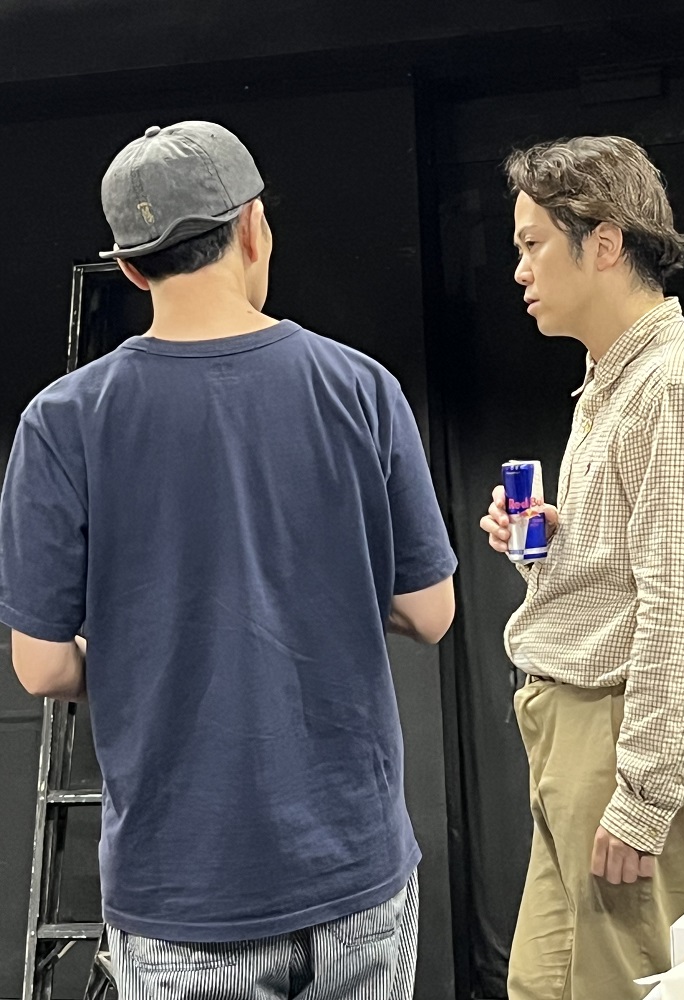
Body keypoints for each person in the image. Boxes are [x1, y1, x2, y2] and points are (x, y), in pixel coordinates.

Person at [0, 121, 456, 1000]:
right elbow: (430, 611)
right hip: (353, 871)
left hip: (181, 891)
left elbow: (42, 667)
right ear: (254, 228)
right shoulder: (361, 387)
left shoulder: (61, 421)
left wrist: (142, 649)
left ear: (132, 269)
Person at [479, 136, 684, 999]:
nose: (520, 270)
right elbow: (638, 578)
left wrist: (641, 796)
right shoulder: (612, 380)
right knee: (544, 986)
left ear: (602, 242)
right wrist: (552, 547)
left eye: (533, 245)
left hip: (623, 733)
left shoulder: (677, 383)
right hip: (581, 734)